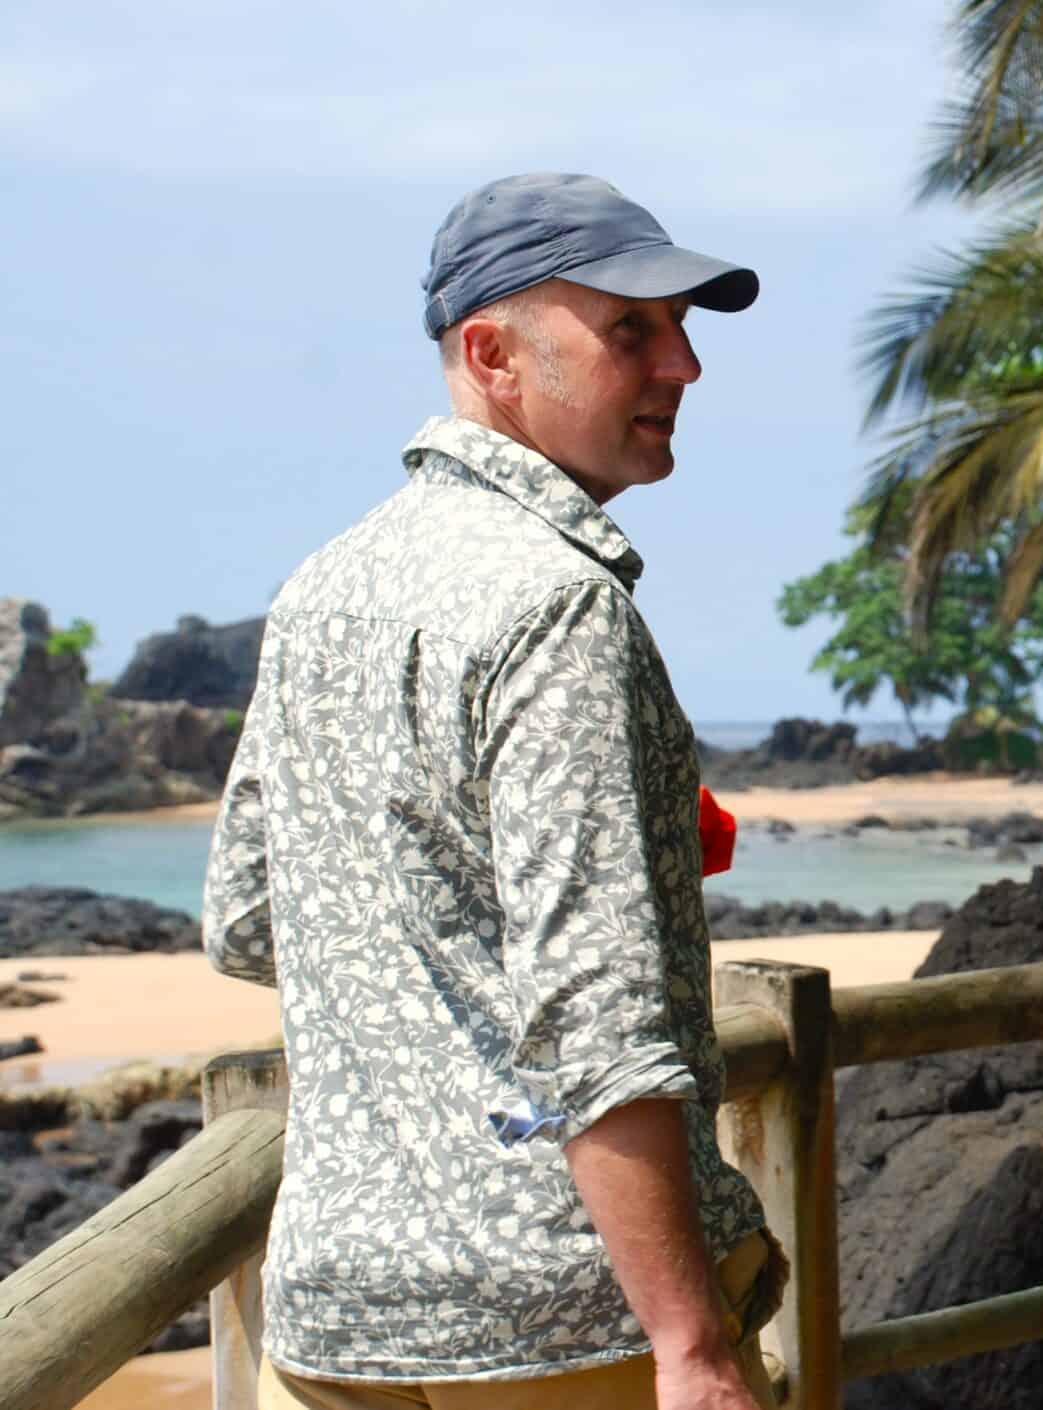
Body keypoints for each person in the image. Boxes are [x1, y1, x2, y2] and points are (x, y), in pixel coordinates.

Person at [205, 173, 779, 1410]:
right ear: (491, 353)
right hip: (564, 1322)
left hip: (340, 1312)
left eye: (680, 327)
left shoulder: (323, 585)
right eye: (632, 329)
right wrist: (694, 1343)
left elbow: (248, 919)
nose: (682, 364)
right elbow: (599, 1017)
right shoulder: (557, 604)